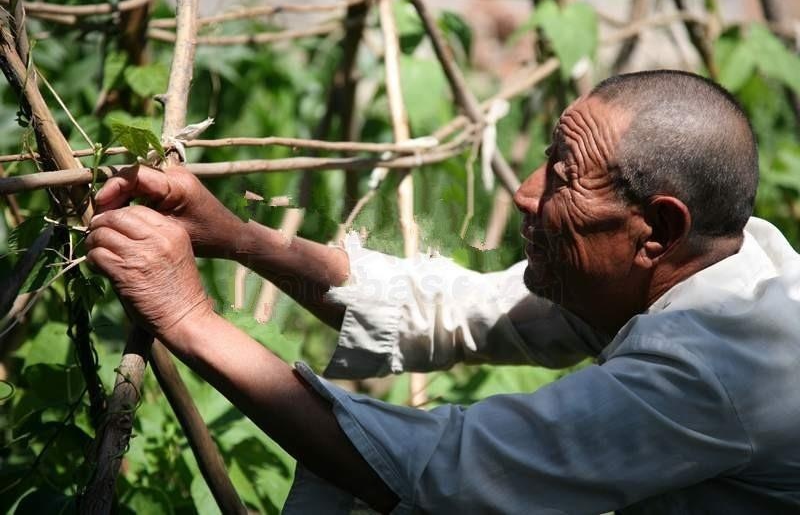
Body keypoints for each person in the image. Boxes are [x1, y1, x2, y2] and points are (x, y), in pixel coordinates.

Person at [85, 70, 800, 513]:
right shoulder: (708, 261)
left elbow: (455, 476)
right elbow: (450, 308)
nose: (525, 194)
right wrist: (241, 237)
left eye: (562, 177)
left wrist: (188, 315)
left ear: (657, 229)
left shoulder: (719, 366)